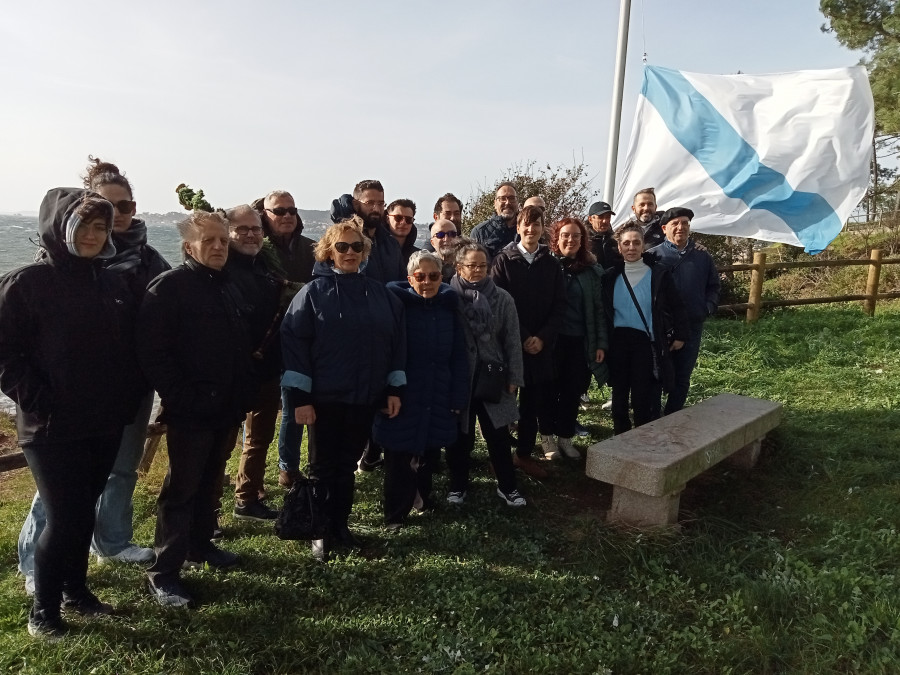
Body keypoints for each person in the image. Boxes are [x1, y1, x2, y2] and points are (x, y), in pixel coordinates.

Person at [17, 160, 170, 597]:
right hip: (69, 398)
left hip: (129, 385)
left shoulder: (147, 255)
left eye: (127, 205)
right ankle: (35, 560)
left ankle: (113, 541)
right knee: (61, 488)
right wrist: (37, 396)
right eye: (108, 207)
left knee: (121, 470)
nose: (120, 214)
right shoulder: (59, 262)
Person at [0, 188, 144, 638]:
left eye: (101, 227)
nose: (92, 235)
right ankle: (43, 611)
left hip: (101, 420)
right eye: (83, 225)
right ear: (59, 227)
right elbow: (6, 357)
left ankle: (76, 592)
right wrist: (39, 400)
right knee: (63, 516)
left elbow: (124, 351)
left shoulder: (111, 282)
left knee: (84, 512)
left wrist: (122, 401)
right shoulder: (25, 284)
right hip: (49, 427)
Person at [138, 210, 254, 607]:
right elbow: (153, 353)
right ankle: (164, 572)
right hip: (190, 410)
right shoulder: (168, 288)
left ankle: (201, 544)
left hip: (225, 407)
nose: (220, 247)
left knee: (209, 482)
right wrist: (182, 397)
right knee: (181, 490)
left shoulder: (228, 284)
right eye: (210, 241)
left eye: (223, 240)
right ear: (189, 247)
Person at [281, 217, 406, 560]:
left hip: (364, 397)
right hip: (324, 399)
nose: (349, 253)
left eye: (356, 246)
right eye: (342, 247)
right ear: (328, 252)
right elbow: (294, 346)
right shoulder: (312, 294)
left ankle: (340, 526)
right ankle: (319, 531)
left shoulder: (381, 294)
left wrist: (393, 388)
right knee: (323, 466)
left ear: (365, 251)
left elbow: (396, 343)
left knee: (348, 464)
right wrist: (301, 398)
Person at [373, 251, 468, 528]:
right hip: (403, 394)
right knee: (398, 456)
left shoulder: (449, 308)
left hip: (437, 390)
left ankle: (422, 499)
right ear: (409, 279)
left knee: (428, 452)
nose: (427, 282)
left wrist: (458, 395)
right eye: (420, 276)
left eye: (434, 276)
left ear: (442, 277)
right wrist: (386, 392)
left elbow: (459, 356)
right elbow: (384, 353)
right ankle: (395, 514)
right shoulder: (397, 307)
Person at [225, 204, 298, 522]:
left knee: (258, 438)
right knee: (221, 444)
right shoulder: (222, 267)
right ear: (227, 233)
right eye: (242, 229)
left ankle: (247, 497)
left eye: (255, 228)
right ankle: (208, 512)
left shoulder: (266, 265)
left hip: (266, 366)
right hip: (229, 372)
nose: (251, 235)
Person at [446, 239, 527, 507]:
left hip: (494, 376)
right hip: (460, 378)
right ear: (459, 267)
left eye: (483, 265)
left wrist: (514, 378)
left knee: (499, 437)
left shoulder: (502, 298)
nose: (478, 270)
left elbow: (512, 340)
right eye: (472, 265)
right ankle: (458, 485)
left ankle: (507, 486)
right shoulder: (448, 297)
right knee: (460, 438)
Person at [490, 205, 566, 478]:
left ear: (543, 228)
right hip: (510, 344)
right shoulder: (503, 261)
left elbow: (560, 306)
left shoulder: (551, 263)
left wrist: (542, 338)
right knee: (503, 403)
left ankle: (523, 454)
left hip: (541, 347)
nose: (531, 229)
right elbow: (498, 303)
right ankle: (499, 456)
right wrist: (522, 337)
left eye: (536, 224)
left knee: (532, 404)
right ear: (518, 227)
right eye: (526, 224)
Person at [601, 223, 688, 434]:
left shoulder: (658, 274)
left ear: (643, 246)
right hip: (619, 340)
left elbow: (677, 306)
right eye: (626, 243)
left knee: (643, 393)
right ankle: (620, 435)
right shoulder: (609, 277)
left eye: (636, 242)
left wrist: (680, 334)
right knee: (619, 392)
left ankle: (641, 436)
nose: (631, 247)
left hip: (645, 341)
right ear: (619, 247)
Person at [255, 190, 315, 489]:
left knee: (294, 405)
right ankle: (251, 479)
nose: (287, 215)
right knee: (258, 417)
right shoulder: (257, 249)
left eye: (291, 209)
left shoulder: (310, 248)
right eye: (279, 211)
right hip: (265, 341)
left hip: (302, 340)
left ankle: (288, 467)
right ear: (265, 214)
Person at [546, 217, 609, 458]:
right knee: (549, 391)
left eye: (575, 236)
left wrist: (601, 343)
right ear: (557, 239)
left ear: (582, 240)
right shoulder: (548, 266)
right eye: (565, 235)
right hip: (552, 341)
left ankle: (565, 438)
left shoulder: (592, 271)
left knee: (573, 392)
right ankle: (548, 439)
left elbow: (599, 310)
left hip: (580, 340)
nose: (570, 240)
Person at [648, 207, 720, 414]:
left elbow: (714, 286)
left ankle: (673, 415)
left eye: (685, 223)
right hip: (660, 328)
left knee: (683, 374)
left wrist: (707, 308)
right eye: (675, 224)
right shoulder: (652, 256)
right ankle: (652, 417)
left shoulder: (702, 256)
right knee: (657, 372)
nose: (681, 227)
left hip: (692, 325)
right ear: (664, 228)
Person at [330, 179, 405, 283]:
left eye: (381, 203)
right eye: (370, 203)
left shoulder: (391, 244)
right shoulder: (343, 242)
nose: (376, 209)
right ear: (356, 204)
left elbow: (401, 281)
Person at [471, 182, 519, 260]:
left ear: (517, 202)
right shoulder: (479, 232)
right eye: (502, 199)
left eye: (512, 198)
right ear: (495, 204)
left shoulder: (528, 231)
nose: (507, 202)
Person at [587, 201, 622, 270]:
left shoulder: (617, 239)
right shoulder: (582, 240)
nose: (605, 221)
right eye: (600, 217)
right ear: (590, 219)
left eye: (608, 217)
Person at [386, 198, 420, 267]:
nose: (403, 222)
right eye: (398, 218)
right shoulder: (376, 251)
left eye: (408, 219)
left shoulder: (418, 256)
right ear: (387, 219)